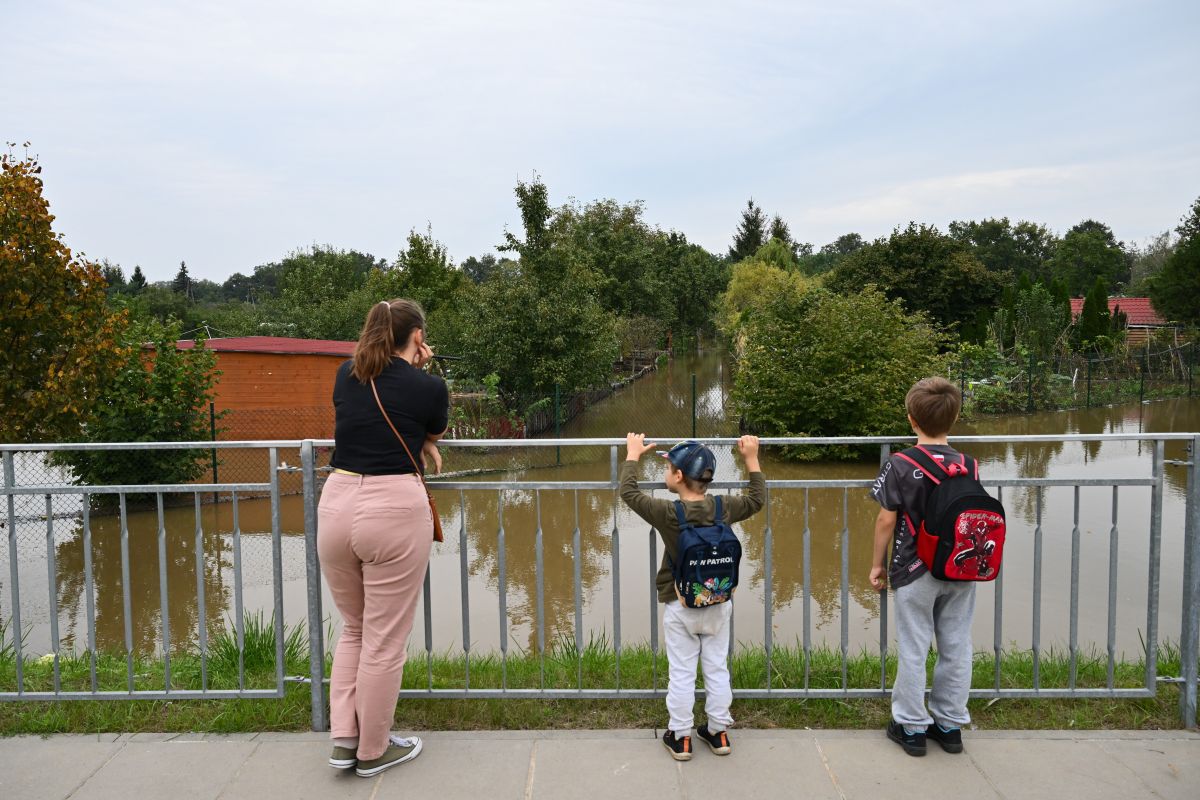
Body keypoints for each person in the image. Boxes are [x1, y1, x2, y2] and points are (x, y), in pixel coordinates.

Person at [318, 299, 448, 778]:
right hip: (391, 510)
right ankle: (374, 751)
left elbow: (370, 412)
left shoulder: (343, 374)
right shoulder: (428, 386)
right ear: (417, 337)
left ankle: (343, 739)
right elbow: (429, 423)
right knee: (384, 641)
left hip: (336, 502)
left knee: (354, 628)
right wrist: (421, 370)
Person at [621, 434, 765, 761]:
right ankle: (718, 732)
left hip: (680, 604)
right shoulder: (723, 507)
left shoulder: (668, 514)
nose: (666, 471)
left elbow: (628, 492)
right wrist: (751, 459)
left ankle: (681, 737)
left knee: (682, 672)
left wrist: (633, 455)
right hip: (718, 603)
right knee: (716, 668)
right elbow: (756, 499)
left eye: (669, 467)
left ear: (678, 477)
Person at [868, 377, 975, 757]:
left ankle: (912, 727)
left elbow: (885, 520)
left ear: (911, 419)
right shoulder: (969, 464)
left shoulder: (900, 463)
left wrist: (877, 565)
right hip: (961, 568)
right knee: (957, 645)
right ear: (955, 416)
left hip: (914, 569)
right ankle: (949, 725)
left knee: (914, 647)